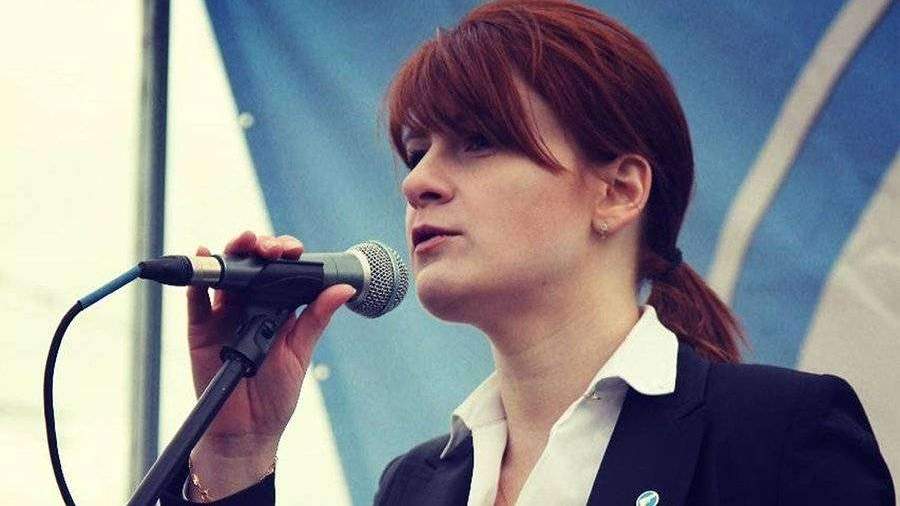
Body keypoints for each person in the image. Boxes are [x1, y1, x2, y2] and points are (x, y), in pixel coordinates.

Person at [161, 1, 894, 504]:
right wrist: (236, 455)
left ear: (618, 191)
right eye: (415, 152)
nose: (417, 182)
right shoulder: (414, 487)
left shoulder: (778, 437)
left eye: (479, 141)